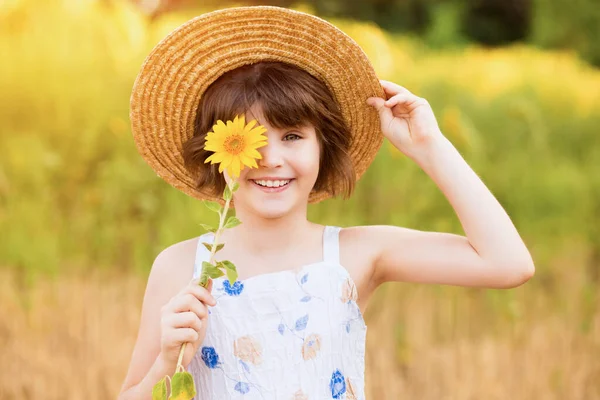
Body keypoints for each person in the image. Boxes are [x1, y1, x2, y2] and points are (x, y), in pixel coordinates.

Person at [118, 6, 535, 400]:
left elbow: (508, 263)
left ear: (324, 149)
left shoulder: (355, 254)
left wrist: (430, 146)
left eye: (292, 136)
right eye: (248, 139)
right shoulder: (181, 268)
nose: (271, 158)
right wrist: (166, 363)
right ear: (220, 152)